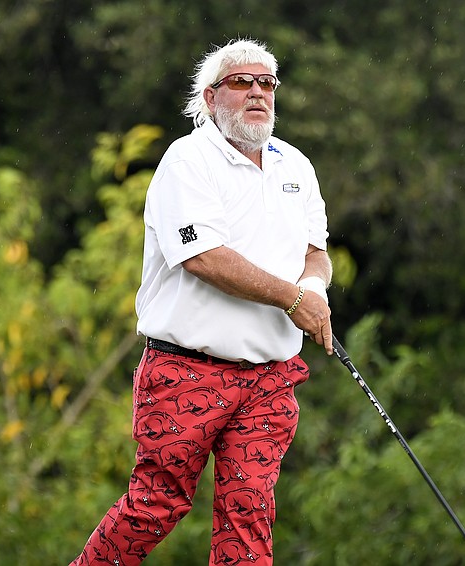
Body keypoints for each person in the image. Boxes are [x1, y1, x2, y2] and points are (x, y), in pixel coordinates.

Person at [70, 38, 333, 565]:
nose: (257, 92)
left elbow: (316, 252)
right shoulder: (187, 160)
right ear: (211, 98)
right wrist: (292, 299)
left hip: (268, 377)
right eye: (241, 82)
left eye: (267, 83)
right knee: (155, 506)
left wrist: (314, 292)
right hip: (186, 370)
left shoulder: (296, 166)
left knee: (249, 514)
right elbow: (205, 258)